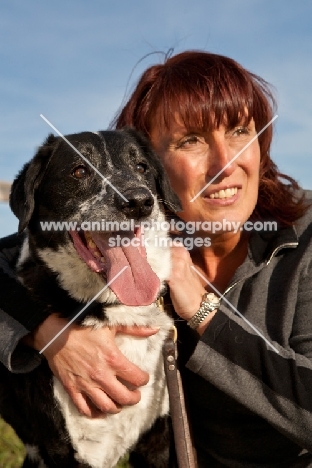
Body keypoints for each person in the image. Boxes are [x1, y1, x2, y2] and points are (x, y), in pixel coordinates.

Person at [1, 50, 312, 466]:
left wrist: (204, 313)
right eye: (192, 140)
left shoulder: (305, 237)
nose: (227, 164)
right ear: (155, 166)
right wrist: (48, 333)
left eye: (240, 132)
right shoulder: (132, 237)